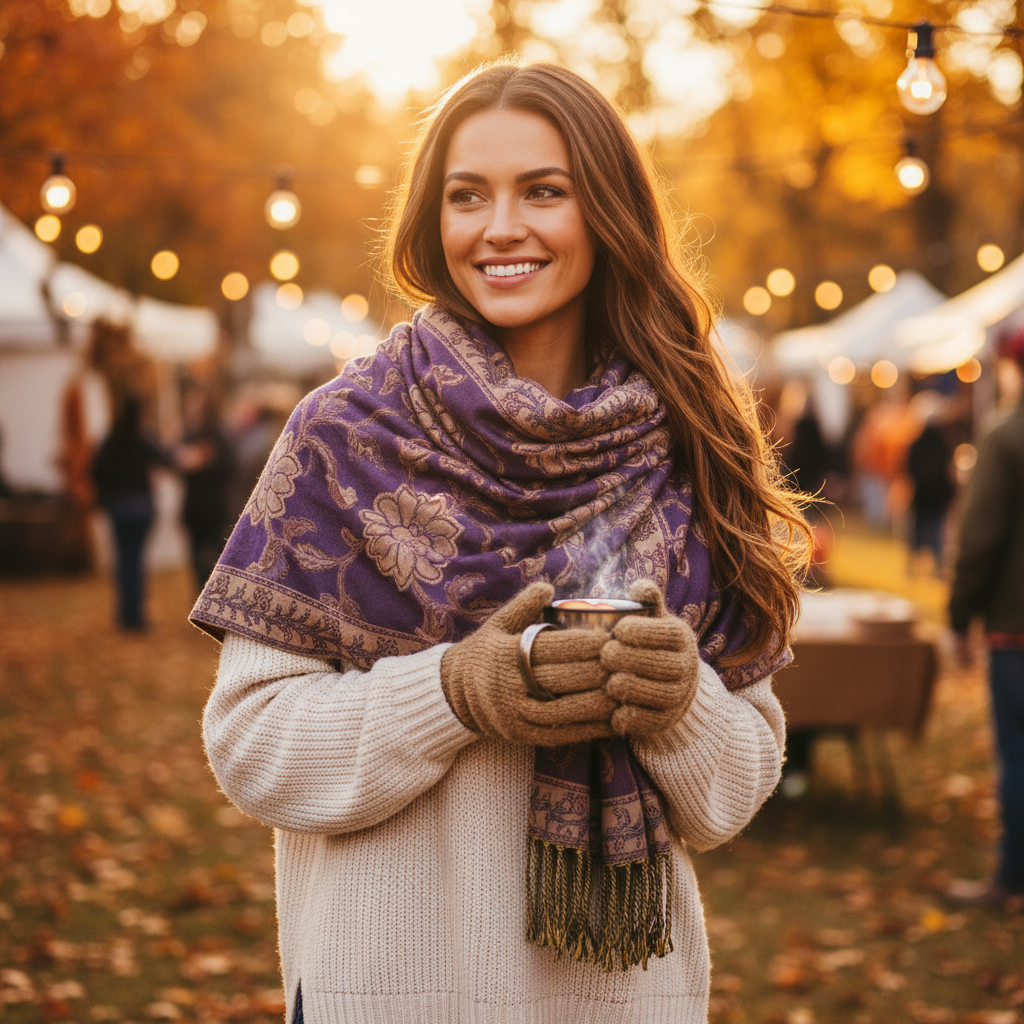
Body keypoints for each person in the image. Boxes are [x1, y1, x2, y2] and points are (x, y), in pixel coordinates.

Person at [191, 61, 810, 1024]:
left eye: (544, 192)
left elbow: (734, 791)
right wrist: (450, 693)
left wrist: (680, 702)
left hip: (623, 1001)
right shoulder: (346, 435)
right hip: (385, 996)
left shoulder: (687, 445)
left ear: (607, 212)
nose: (500, 227)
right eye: (467, 195)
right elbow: (251, 745)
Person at [948, 332, 1024, 910]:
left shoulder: (1006, 436)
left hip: (1015, 629)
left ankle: (1012, 879)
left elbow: (980, 539)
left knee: (1017, 758)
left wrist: (959, 616)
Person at [91, 397, 166, 630]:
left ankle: (125, 614)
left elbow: (94, 470)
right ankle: (136, 615)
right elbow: (167, 459)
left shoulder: (110, 440)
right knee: (136, 559)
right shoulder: (144, 440)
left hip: (118, 507)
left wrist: (109, 490)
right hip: (141, 506)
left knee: (124, 560)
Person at [175, 389, 234, 591]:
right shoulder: (188, 435)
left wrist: (204, 462)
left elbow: (229, 466)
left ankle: (219, 594)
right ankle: (200, 595)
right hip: (194, 507)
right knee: (195, 557)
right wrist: (186, 462)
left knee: (219, 554)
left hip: (215, 506)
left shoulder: (219, 435)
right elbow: (177, 465)